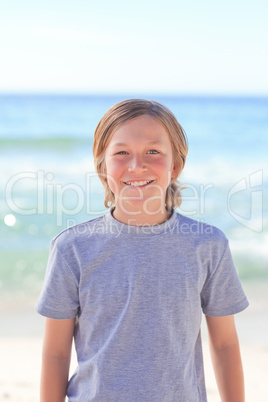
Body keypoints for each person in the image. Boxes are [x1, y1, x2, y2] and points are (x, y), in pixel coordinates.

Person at [35, 99, 249, 402]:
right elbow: (56, 353)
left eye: (153, 151)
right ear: (102, 166)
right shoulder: (72, 249)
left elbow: (225, 344)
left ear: (175, 165)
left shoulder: (208, 245)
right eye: (121, 153)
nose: (137, 165)